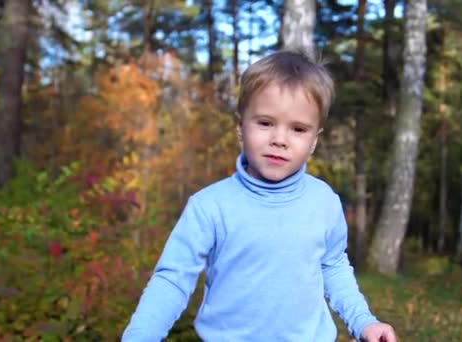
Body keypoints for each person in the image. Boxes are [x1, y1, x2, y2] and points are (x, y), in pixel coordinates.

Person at [122, 49, 396, 342]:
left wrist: (363, 322)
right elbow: (172, 279)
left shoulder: (324, 201)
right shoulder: (209, 207)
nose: (279, 139)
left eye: (298, 129)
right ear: (241, 128)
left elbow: (333, 266)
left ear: (314, 140)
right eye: (265, 123)